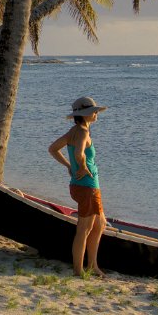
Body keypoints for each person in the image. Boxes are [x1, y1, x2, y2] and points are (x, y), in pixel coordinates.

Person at [48, 96, 108, 277]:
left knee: (100, 224)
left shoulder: (73, 131)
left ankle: (92, 266)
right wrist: (81, 166)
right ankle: (78, 270)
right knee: (84, 228)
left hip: (81, 185)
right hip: (87, 186)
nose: (96, 113)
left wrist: (68, 166)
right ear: (86, 114)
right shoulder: (82, 132)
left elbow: (53, 149)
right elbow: (79, 152)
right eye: (94, 111)